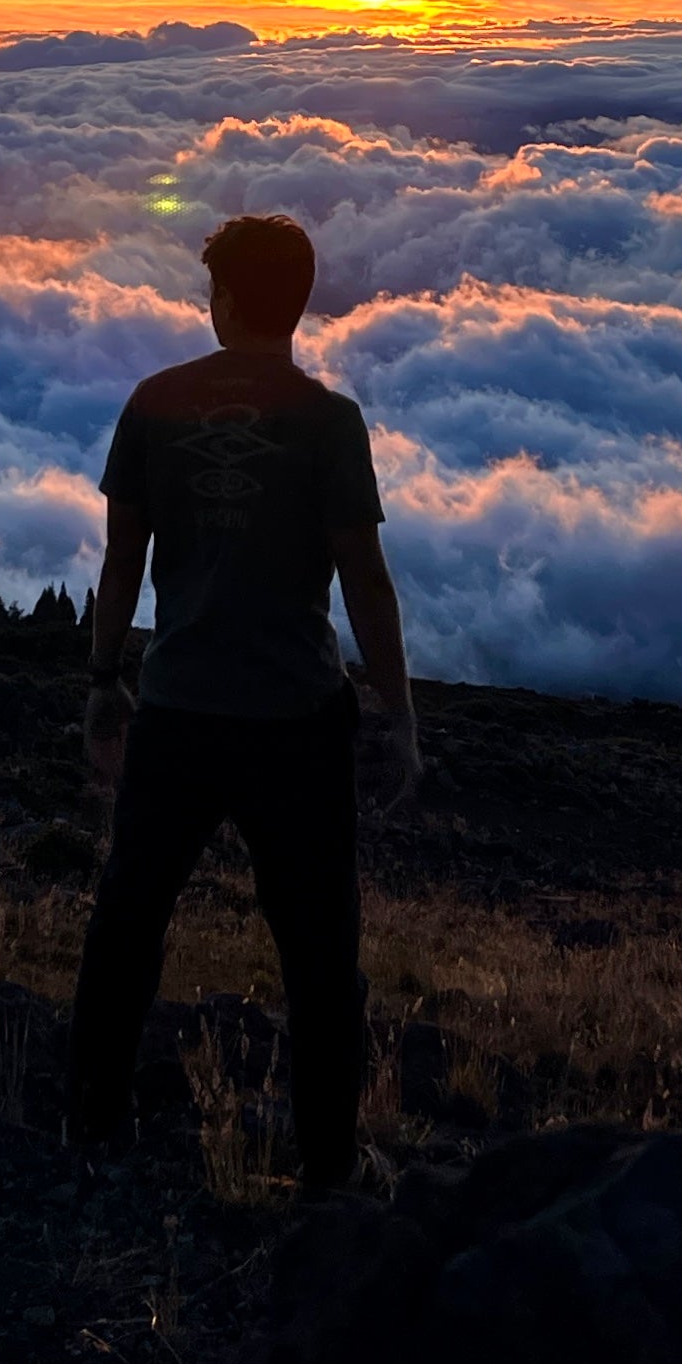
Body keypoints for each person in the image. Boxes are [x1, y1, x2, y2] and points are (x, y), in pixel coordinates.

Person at [67, 212, 419, 1195]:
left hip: (178, 708)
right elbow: (367, 581)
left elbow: (122, 561)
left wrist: (104, 685)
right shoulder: (327, 421)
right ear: (299, 303)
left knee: (130, 915)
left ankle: (94, 1120)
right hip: (298, 716)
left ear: (221, 302)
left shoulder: (154, 403)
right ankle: (327, 1163)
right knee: (316, 947)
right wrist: (396, 714)